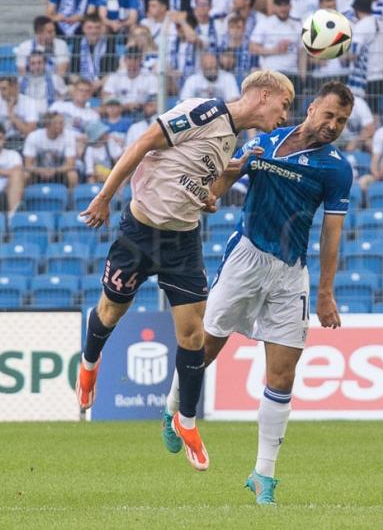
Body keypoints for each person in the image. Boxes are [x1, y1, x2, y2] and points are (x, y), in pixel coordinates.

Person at [75, 70, 294, 472]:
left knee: (194, 335)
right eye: (284, 104)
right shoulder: (204, 112)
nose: (285, 115)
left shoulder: (232, 140)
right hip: (139, 232)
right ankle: (89, 364)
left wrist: (235, 171)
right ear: (264, 95)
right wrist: (105, 196)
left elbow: (204, 193)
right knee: (111, 312)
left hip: (182, 242)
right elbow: (144, 143)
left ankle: (187, 421)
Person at [162, 81, 353, 505]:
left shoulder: (337, 168)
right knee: (205, 349)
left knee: (283, 374)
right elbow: (221, 182)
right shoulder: (265, 141)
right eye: (330, 115)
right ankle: (173, 407)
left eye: (342, 121)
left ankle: (263, 475)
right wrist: (221, 182)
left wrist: (326, 294)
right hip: (247, 258)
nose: (334, 125)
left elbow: (331, 232)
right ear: (312, 108)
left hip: (290, 274)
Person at [23, 111, 80, 188]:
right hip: (38, 173)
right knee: (24, 175)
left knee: (72, 175)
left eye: (62, 123)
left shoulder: (69, 136)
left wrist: (54, 171)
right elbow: (27, 164)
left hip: (60, 173)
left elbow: (70, 164)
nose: (61, 126)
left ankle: (71, 199)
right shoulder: (33, 136)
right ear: (47, 125)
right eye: (57, 123)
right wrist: (40, 171)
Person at [0, 75, 38, 143]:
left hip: (24, 143)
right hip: (1, 145)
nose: (1, 93)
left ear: (15, 87)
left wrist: (11, 114)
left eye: (4, 89)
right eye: (0, 89)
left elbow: (31, 132)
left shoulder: (29, 103)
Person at [102, 46, 160, 114]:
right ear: (125, 60)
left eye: (135, 58)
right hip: (119, 111)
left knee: (151, 109)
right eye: (129, 58)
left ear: (141, 59)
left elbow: (154, 99)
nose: (132, 61)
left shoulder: (150, 77)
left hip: (142, 112)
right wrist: (124, 106)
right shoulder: (115, 76)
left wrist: (140, 105)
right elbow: (106, 96)